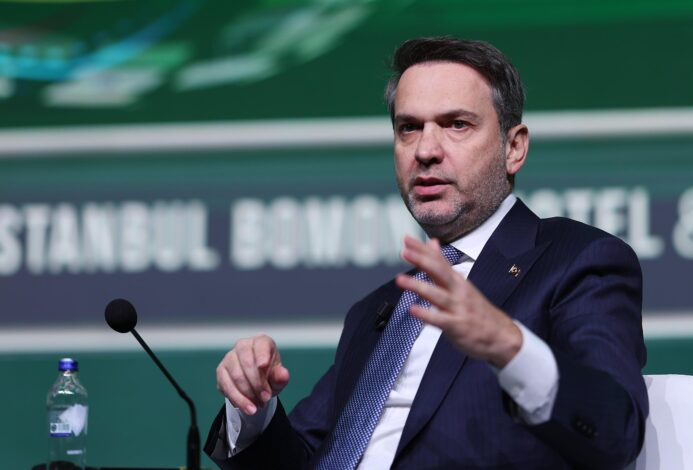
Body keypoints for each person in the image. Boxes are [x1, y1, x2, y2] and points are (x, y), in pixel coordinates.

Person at [205, 36, 649, 469]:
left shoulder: (576, 261)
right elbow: (309, 456)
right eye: (409, 128)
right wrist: (253, 407)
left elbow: (617, 431)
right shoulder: (378, 309)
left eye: (457, 124)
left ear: (513, 148)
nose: (425, 151)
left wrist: (509, 345)